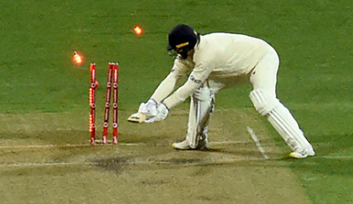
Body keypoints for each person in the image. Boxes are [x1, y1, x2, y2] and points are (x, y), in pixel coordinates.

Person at [128, 25, 315, 159]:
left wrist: (165, 108)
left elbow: (186, 89)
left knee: (263, 100)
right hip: (232, 68)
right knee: (202, 90)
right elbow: (173, 78)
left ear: (187, 47)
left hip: (261, 60)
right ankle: (195, 141)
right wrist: (151, 103)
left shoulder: (207, 55)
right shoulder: (188, 54)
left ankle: (303, 147)